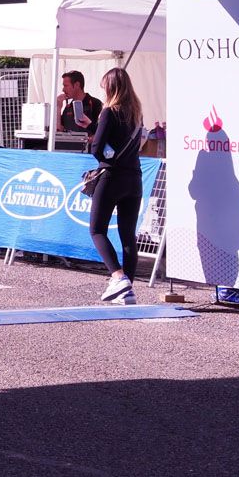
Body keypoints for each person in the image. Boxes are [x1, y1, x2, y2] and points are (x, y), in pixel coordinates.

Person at [89, 67, 146, 306]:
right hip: (134, 178)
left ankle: (118, 276)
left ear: (111, 88)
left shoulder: (109, 112)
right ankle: (128, 288)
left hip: (111, 176)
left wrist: (108, 157)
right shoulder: (137, 114)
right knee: (127, 235)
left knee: (97, 229)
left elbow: (97, 148)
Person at [57, 70, 103, 142]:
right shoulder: (68, 107)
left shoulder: (95, 103)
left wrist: (90, 139)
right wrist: (58, 107)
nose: (63, 89)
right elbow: (59, 130)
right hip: (69, 150)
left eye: (65, 86)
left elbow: (102, 131)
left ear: (77, 85)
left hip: (88, 151)